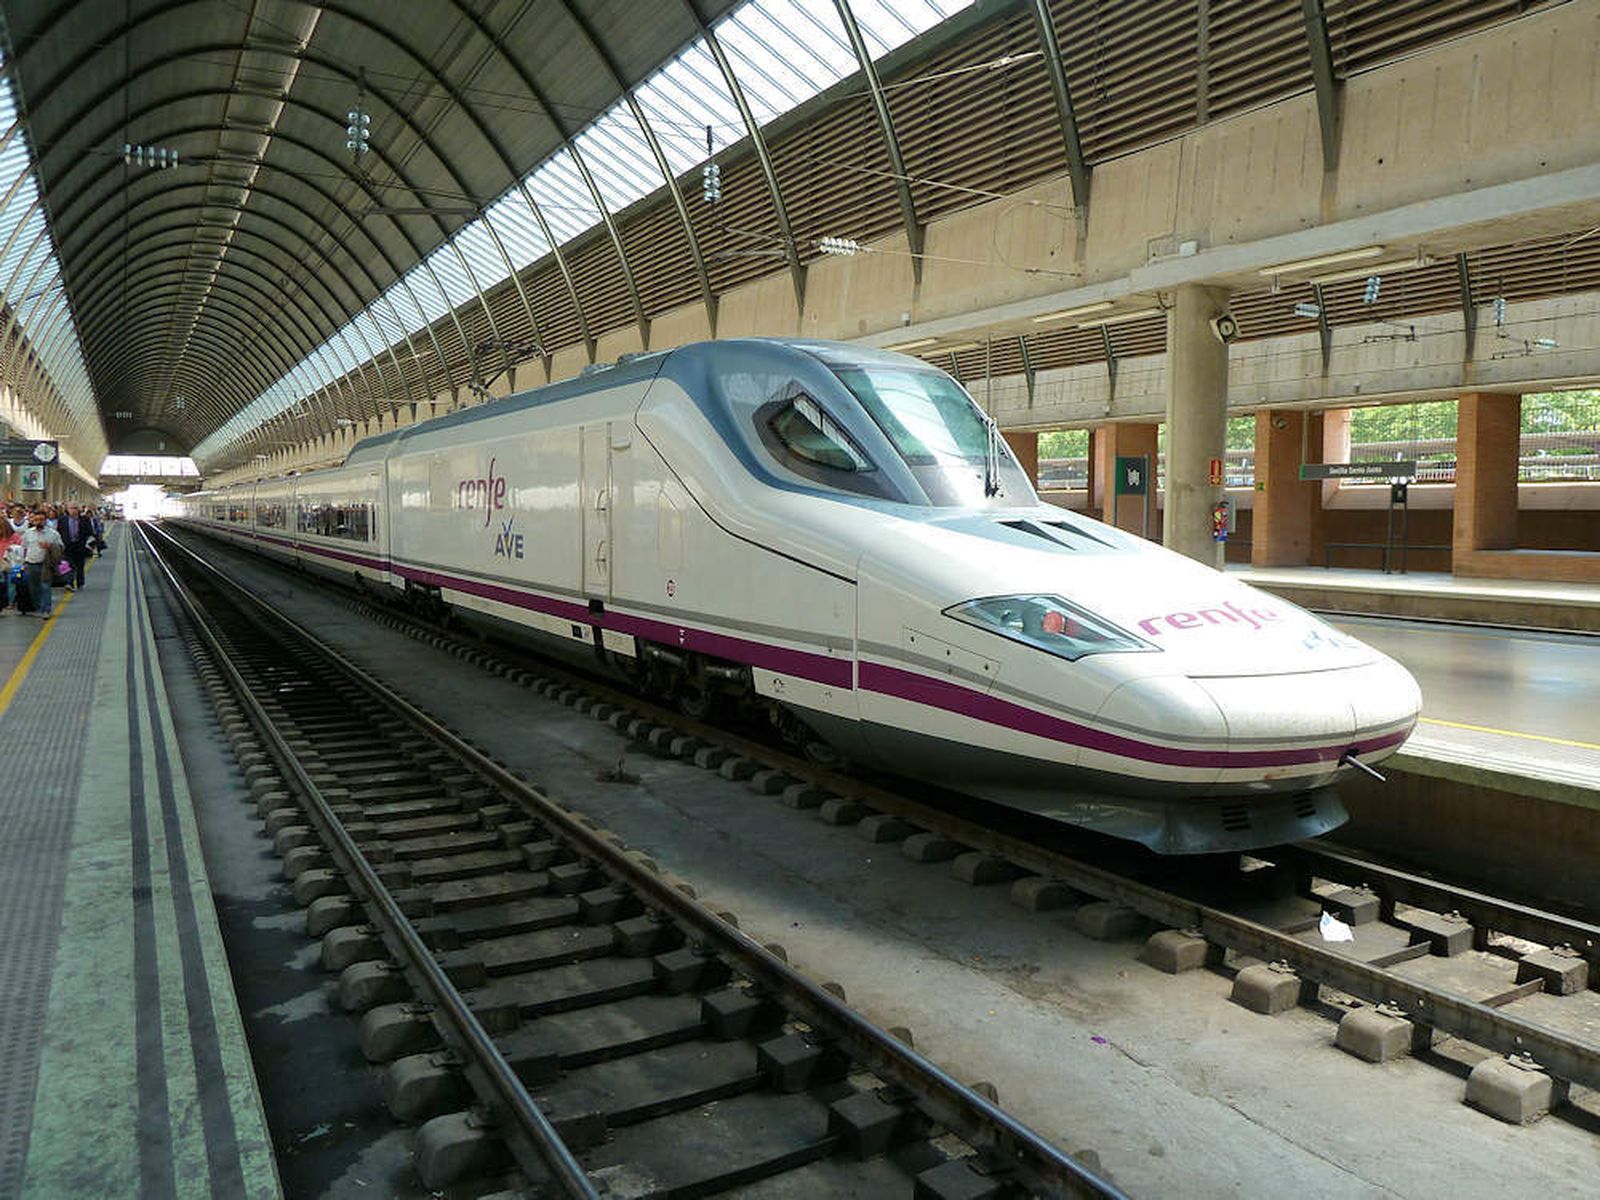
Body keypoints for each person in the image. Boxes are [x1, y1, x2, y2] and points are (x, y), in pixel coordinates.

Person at [21, 511, 62, 619]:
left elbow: (61, 547)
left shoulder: (53, 534)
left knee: (45, 587)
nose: (39, 522)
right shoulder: (28, 533)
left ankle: (46, 610)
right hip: (30, 564)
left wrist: (50, 546)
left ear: (45, 521)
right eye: (36, 520)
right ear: (33, 521)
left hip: (45, 565)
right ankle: (39, 607)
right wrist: (23, 562)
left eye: (41, 520)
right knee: (33, 588)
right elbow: (24, 548)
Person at [58, 503, 92, 591]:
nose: (73, 510)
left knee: (80, 565)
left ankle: (80, 582)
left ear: (79, 510)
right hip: (67, 546)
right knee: (67, 565)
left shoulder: (84, 519)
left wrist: (85, 541)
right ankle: (69, 583)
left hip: (79, 546)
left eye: (75, 508)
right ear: (67, 509)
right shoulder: (62, 520)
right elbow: (59, 531)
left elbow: (89, 531)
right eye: (71, 508)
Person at [0, 524, 23, 614]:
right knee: (2, 584)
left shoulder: (15, 537)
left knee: (11, 583)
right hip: (1, 562)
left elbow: (21, 550)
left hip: (12, 563)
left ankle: (10, 602)